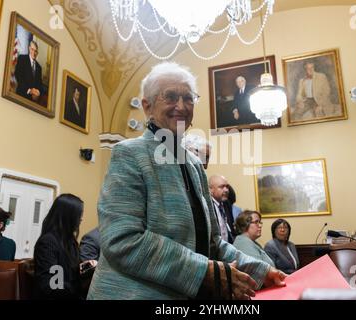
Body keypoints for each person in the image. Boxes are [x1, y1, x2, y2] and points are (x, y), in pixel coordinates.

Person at [87, 62, 285, 300]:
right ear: (147, 106)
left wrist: (262, 270)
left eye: (188, 98)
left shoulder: (193, 165)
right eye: (170, 97)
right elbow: (123, 240)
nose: (181, 106)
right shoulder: (128, 154)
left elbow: (212, 243)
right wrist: (204, 271)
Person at [33, 194, 97, 299]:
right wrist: (76, 285)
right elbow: (52, 285)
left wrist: (85, 268)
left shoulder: (70, 241)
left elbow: (69, 271)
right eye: (79, 215)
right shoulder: (48, 242)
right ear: (68, 216)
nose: (81, 219)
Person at [209, 175, 235, 244]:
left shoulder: (227, 205)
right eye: (222, 187)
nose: (226, 190)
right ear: (210, 190)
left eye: (227, 187)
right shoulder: (207, 206)